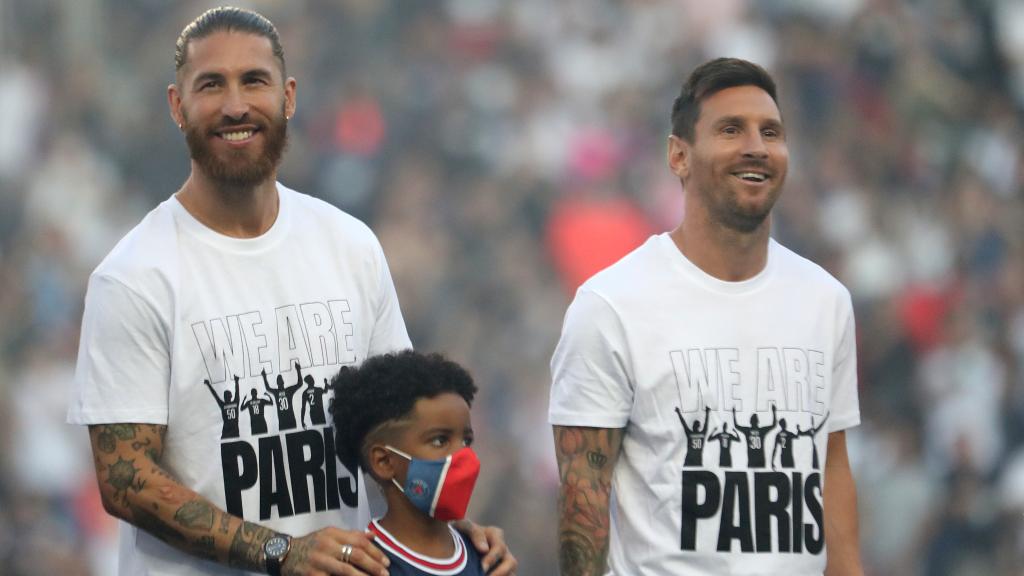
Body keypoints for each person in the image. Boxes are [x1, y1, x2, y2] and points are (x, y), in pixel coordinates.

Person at [67, 7, 515, 576]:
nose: (235, 105)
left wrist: (441, 530)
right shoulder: (133, 276)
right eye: (212, 85)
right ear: (178, 107)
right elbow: (125, 482)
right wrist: (280, 551)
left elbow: (397, 429)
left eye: (254, 80)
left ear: (289, 97)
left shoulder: (350, 245)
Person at [549, 58, 863, 575]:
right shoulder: (610, 306)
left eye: (771, 132)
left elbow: (831, 468)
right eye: (730, 129)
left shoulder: (825, 300)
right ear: (679, 156)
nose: (756, 146)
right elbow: (584, 497)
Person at [331, 350, 487, 575]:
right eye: (440, 440)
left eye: (466, 440)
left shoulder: (488, 558)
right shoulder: (363, 566)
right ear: (384, 461)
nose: (463, 456)